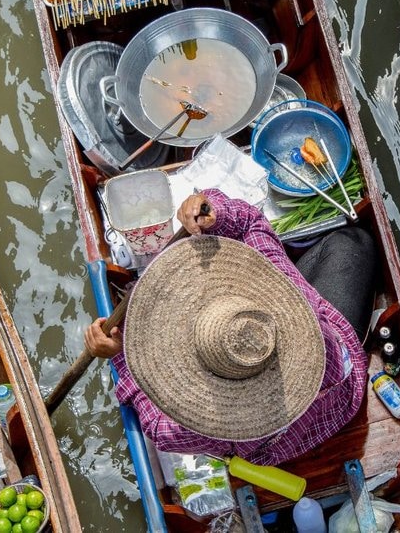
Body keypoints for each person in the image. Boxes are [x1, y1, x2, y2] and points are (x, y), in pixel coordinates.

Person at [85, 188, 376, 465]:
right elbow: (250, 223)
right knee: (353, 240)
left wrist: (121, 356)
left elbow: (158, 428)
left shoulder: (204, 423)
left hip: (287, 440)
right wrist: (215, 213)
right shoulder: (281, 281)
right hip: (344, 390)